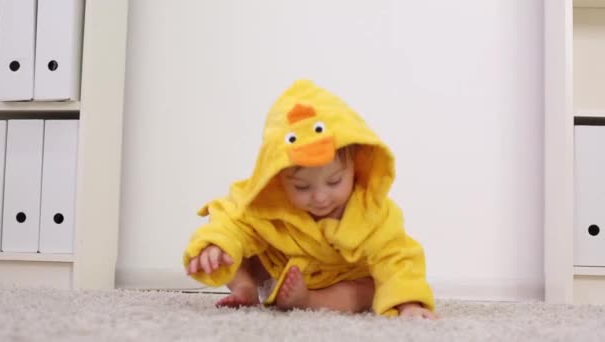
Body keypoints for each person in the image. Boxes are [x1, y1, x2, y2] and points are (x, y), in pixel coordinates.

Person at [184, 80, 436, 319]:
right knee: (234, 248)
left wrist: (409, 303)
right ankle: (245, 288)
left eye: (334, 181)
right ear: (277, 178)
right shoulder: (268, 203)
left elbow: (397, 255)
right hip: (278, 270)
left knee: (368, 289)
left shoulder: (370, 210)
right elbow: (233, 219)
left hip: (340, 278)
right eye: (302, 186)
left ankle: (308, 301)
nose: (320, 196)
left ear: (355, 168)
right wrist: (217, 245)